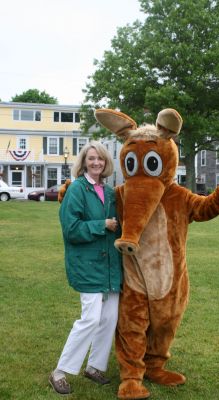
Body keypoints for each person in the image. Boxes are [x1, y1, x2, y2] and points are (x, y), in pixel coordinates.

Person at [49, 141, 123, 395]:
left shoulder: (111, 192)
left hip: (112, 266)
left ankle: (94, 366)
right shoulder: (77, 189)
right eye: (91, 158)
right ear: (84, 162)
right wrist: (101, 224)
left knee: (110, 319)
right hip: (87, 265)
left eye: (100, 159)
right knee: (90, 319)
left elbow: (121, 226)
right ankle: (60, 371)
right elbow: (71, 230)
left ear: (106, 163)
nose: (96, 163)